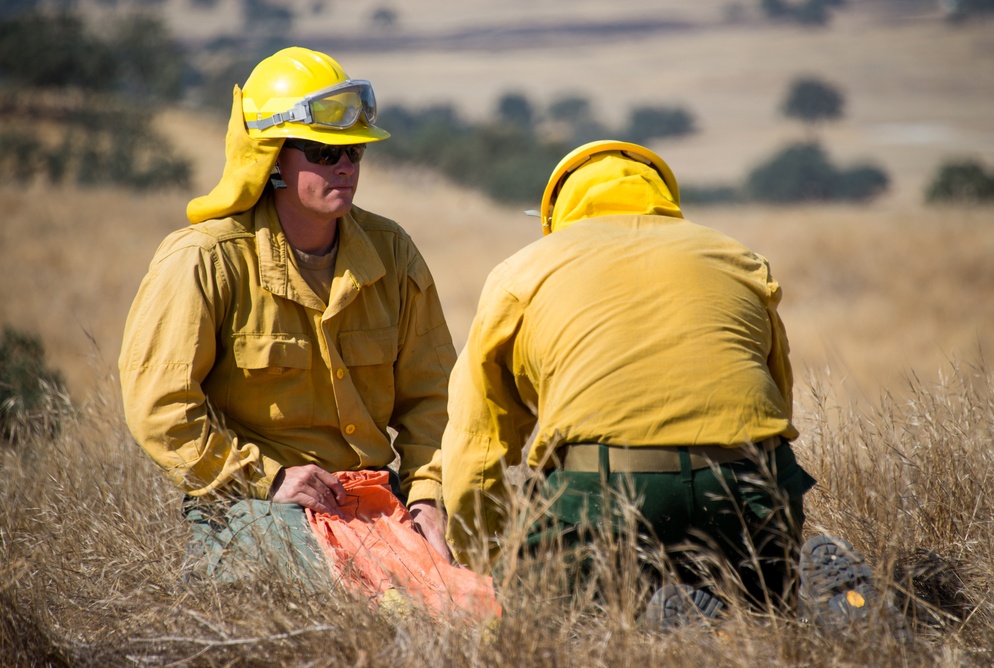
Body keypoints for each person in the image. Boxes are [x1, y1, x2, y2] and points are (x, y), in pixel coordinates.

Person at [440, 140, 818, 623]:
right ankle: (802, 602)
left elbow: (477, 442)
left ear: (555, 211)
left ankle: (661, 621)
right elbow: (778, 403)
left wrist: (490, 553)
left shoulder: (524, 272)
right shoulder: (736, 257)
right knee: (765, 614)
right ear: (664, 196)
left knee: (556, 622)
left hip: (605, 490)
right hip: (749, 479)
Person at [119, 47, 456, 582]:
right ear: (271, 158)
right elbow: (160, 406)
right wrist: (268, 480)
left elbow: (433, 399)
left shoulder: (394, 253)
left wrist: (429, 500)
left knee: (468, 604)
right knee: (349, 598)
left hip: (376, 502)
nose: (345, 166)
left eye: (354, 152)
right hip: (251, 505)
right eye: (322, 153)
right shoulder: (204, 259)